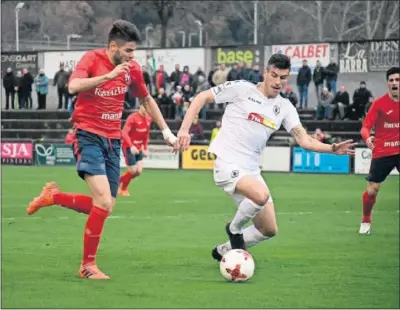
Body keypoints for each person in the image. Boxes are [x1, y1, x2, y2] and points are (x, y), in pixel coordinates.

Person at [26, 20, 176, 279]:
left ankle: (54, 197)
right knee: (104, 201)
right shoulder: (91, 59)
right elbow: (72, 86)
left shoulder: (132, 69)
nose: (132, 56)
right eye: (128, 51)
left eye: (134, 52)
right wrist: (107, 77)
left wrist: (166, 132)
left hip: (112, 140)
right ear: (113, 46)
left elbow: (146, 99)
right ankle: (87, 266)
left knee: (105, 205)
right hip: (87, 135)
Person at [174, 54, 356, 260]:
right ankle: (233, 230)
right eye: (275, 75)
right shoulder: (242, 89)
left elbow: (304, 140)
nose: (278, 82)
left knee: (268, 229)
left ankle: (224, 250)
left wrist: (331, 148)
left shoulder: (285, 107)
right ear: (266, 73)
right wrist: (183, 130)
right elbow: (201, 97)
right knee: (260, 196)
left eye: (284, 77)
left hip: (251, 171)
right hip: (227, 163)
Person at [359, 67, 400, 235]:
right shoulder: (380, 103)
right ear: (387, 83)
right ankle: (366, 220)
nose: (394, 83)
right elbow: (366, 126)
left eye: (397, 80)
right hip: (383, 151)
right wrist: (368, 138)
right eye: (391, 80)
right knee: (372, 190)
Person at [118, 104, 152, 197]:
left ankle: (119, 181)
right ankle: (123, 188)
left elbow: (146, 134)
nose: (147, 110)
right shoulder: (132, 118)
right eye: (145, 107)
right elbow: (124, 133)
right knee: (133, 171)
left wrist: (145, 148)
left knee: (139, 171)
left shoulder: (148, 119)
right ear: (141, 106)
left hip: (139, 148)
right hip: (129, 147)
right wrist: (131, 146)